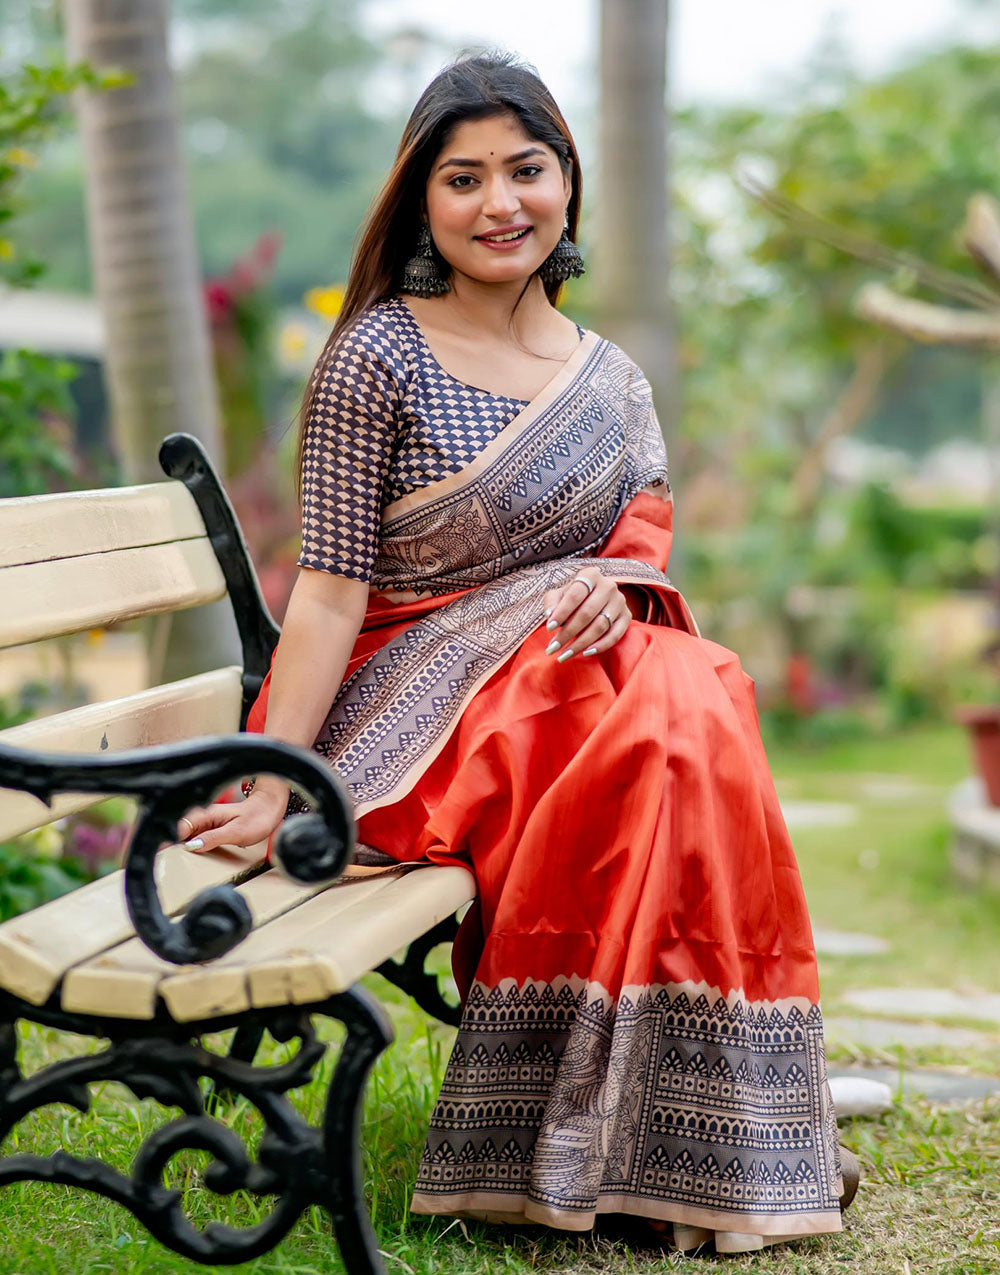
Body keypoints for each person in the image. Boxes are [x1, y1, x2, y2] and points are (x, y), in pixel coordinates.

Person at [179, 51, 857, 1256]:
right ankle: (631, 1132)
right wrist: (279, 777)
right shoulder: (378, 355)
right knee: (665, 707)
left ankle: (680, 1128)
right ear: (421, 202)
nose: (500, 203)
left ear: (567, 182)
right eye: (464, 178)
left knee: (689, 695)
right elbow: (329, 595)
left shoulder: (612, 380)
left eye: (525, 170)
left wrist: (606, 585)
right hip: (413, 713)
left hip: (574, 692)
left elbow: (639, 551)